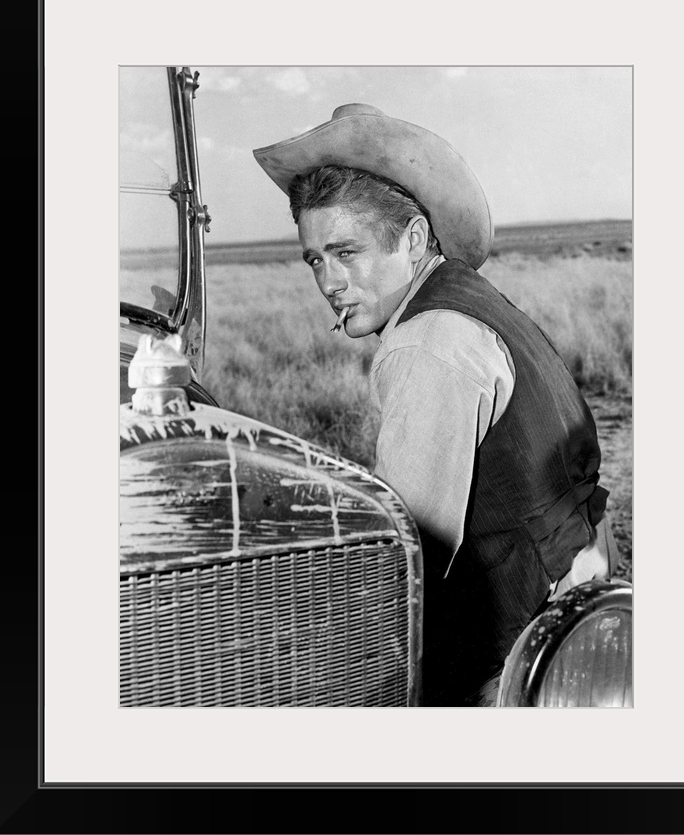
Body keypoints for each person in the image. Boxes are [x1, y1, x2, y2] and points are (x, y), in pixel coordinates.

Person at [253, 103, 618, 707]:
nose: (329, 282)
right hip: (575, 601)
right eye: (315, 259)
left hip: (508, 656)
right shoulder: (467, 298)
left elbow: (403, 559)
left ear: (415, 238)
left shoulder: (427, 342)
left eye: (347, 253)